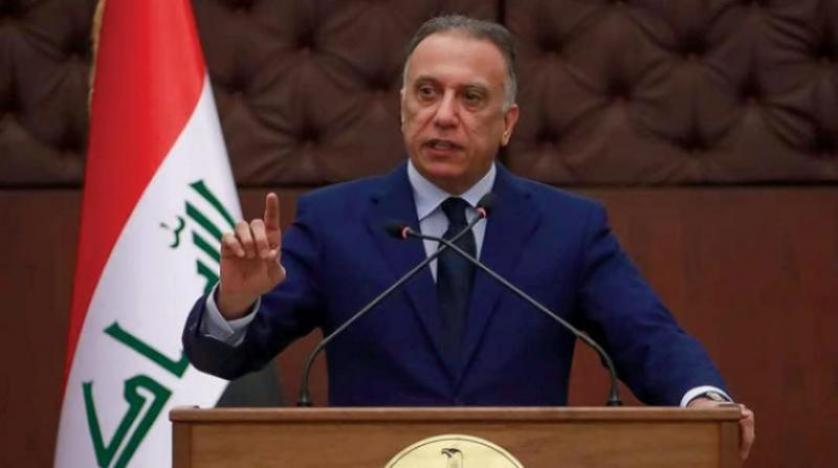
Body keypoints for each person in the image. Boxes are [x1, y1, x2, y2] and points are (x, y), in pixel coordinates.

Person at [183, 15, 754, 459]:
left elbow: (647, 336)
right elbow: (220, 356)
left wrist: (703, 400)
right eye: (427, 93)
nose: (444, 115)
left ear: (508, 123)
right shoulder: (335, 222)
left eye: (471, 98)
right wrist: (235, 301)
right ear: (402, 108)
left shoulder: (568, 229)